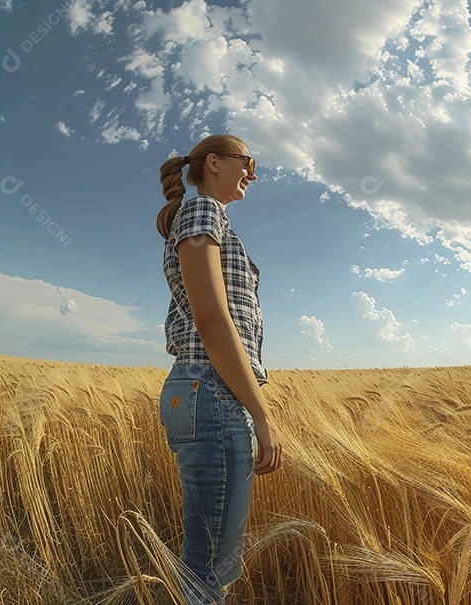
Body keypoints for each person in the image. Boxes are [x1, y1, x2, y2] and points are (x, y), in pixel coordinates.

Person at [156, 134, 282, 603]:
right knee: (210, 569)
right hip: (212, 390)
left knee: (207, 562)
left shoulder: (204, 217)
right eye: (247, 161)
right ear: (213, 162)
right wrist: (263, 414)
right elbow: (211, 320)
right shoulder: (203, 210)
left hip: (201, 390)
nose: (253, 173)